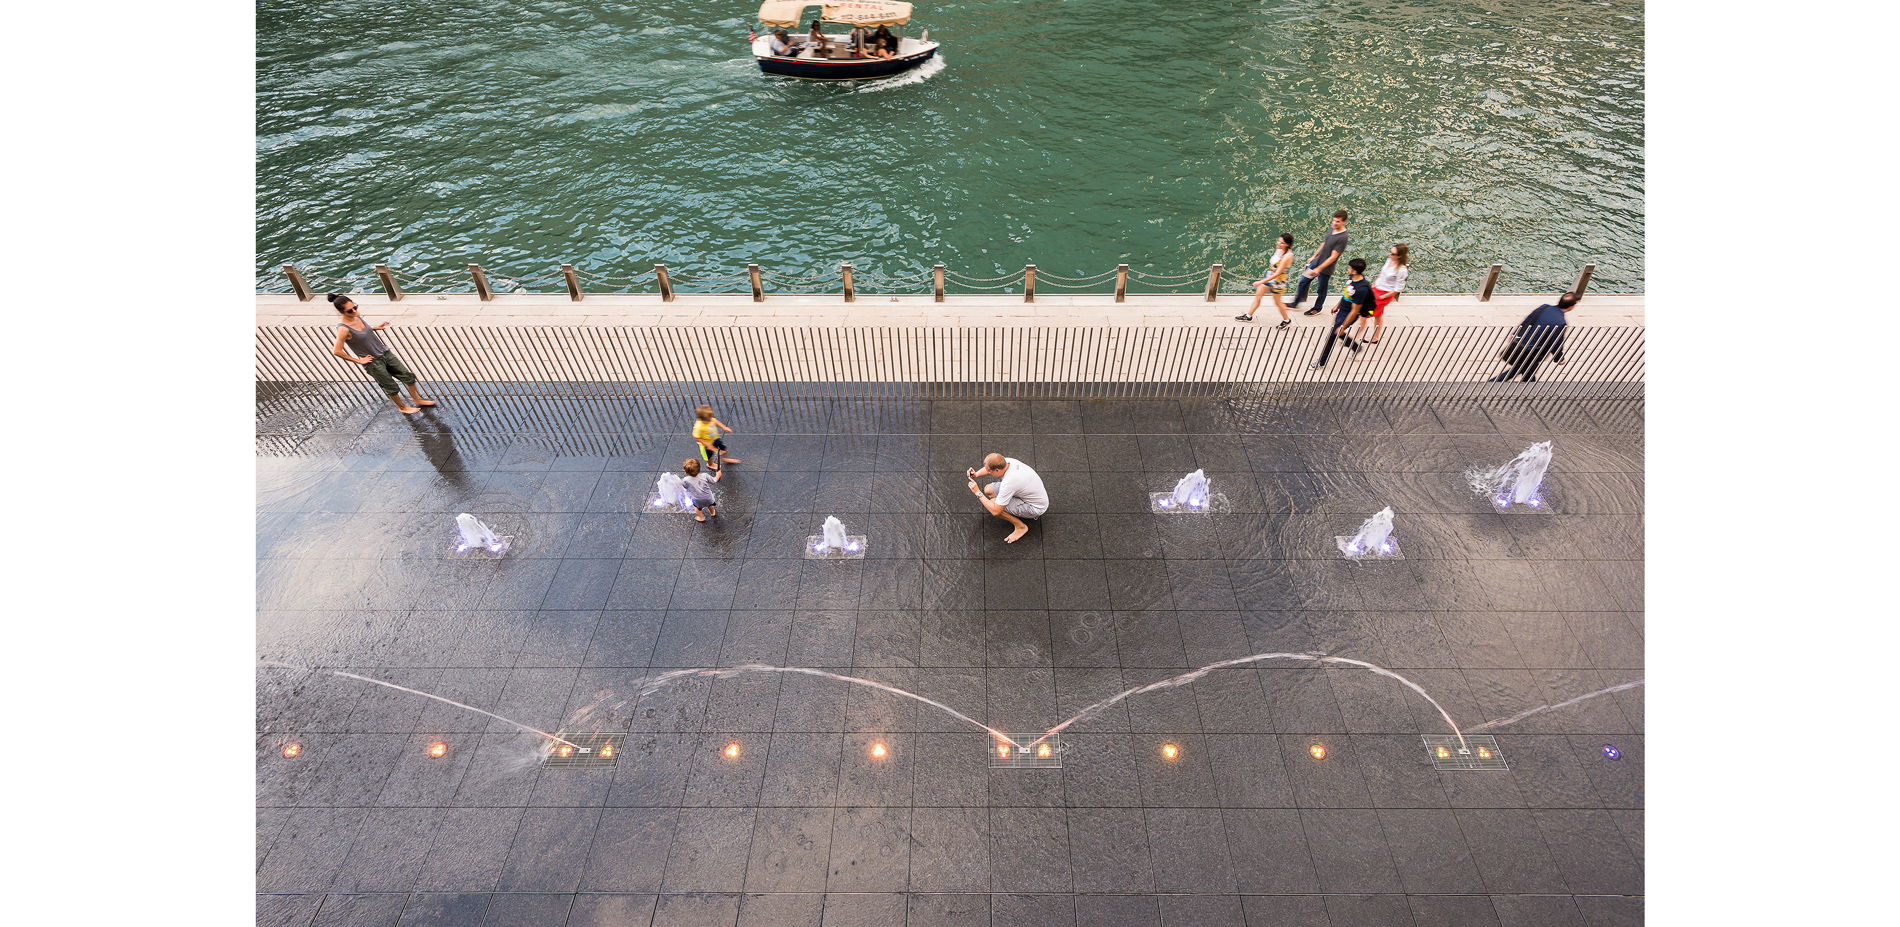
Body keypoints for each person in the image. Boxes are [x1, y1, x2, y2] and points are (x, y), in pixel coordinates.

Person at [328, 294, 437, 414]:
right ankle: (402, 407)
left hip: (385, 353)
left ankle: (416, 399)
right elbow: (336, 351)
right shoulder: (343, 329)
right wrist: (359, 361)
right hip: (373, 362)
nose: (354, 311)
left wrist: (374, 328)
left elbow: (362, 333)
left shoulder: (356, 316)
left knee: (408, 376)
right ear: (340, 311)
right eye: (350, 310)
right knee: (391, 386)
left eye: (355, 307)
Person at [1488, 292, 1579, 382]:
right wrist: (1559, 359)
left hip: (1521, 343)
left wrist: (1515, 334)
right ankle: (1490, 384)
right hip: (1533, 352)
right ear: (1571, 307)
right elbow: (1556, 343)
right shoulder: (1561, 322)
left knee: (1525, 372)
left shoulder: (1544, 307)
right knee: (1519, 371)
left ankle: (1528, 390)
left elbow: (1528, 320)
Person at [966, 453, 1048, 544]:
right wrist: (976, 474)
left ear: (997, 470)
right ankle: (1006, 502)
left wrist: (978, 492)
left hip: (1034, 507)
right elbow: (989, 468)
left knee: (993, 504)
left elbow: (995, 511)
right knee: (988, 489)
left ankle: (1021, 527)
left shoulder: (1009, 483)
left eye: (989, 471)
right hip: (1026, 493)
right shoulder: (1007, 461)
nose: (987, 472)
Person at [1308, 258, 1372, 369]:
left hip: (1348, 314)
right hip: (1342, 310)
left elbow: (1355, 311)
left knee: (1333, 336)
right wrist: (1338, 305)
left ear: (1354, 271)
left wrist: (1342, 327)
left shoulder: (1362, 289)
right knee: (1336, 333)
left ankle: (1321, 363)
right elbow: (1346, 293)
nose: (1347, 269)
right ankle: (1355, 347)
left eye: (1349, 268)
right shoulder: (1352, 279)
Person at [1286, 210, 1350, 317]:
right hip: (1316, 262)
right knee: (1303, 281)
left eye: (1338, 222)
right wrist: (1314, 256)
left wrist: (1319, 269)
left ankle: (1317, 307)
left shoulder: (1343, 237)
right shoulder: (1333, 229)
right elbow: (1325, 243)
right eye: (1334, 220)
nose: (1334, 223)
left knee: (1321, 289)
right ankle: (1295, 303)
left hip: (1325, 268)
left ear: (1344, 222)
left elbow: (1333, 256)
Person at [1236, 232, 1296, 328]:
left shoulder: (1288, 257)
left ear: (1287, 245)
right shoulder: (1280, 249)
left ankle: (1286, 320)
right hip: (1270, 276)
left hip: (1278, 282)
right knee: (1258, 296)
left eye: (1282, 243)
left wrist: (1260, 282)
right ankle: (1249, 316)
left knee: (1277, 303)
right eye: (1279, 241)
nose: (1278, 244)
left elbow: (1278, 273)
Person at [1353, 242, 1408, 344]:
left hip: (1384, 294)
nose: (1389, 255)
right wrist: (1374, 285)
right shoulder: (1390, 260)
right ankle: (1375, 337)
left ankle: (1353, 337)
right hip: (1376, 289)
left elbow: (1398, 288)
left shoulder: (1402, 270)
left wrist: (1383, 297)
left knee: (1363, 314)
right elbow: (1382, 273)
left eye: (1392, 254)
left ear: (1400, 256)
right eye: (1390, 252)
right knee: (1378, 315)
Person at [692, 405, 740, 471]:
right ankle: (710, 464)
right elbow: (696, 437)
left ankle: (724, 458)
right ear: (699, 419)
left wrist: (724, 427)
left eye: (710, 418)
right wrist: (707, 445)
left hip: (715, 439)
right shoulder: (698, 427)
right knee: (709, 456)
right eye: (707, 420)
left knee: (724, 449)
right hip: (706, 444)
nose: (709, 421)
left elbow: (715, 421)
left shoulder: (709, 418)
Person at [680, 458, 721, 522]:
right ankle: (712, 513)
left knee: (697, 508)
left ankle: (701, 517)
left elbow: (685, 486)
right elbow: (714, 481)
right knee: (710, 505)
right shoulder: (705, 476)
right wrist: (718, 475)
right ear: (699, 468)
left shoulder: (686, 480)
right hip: (708, 497)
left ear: (686, 472)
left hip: (697, 500)